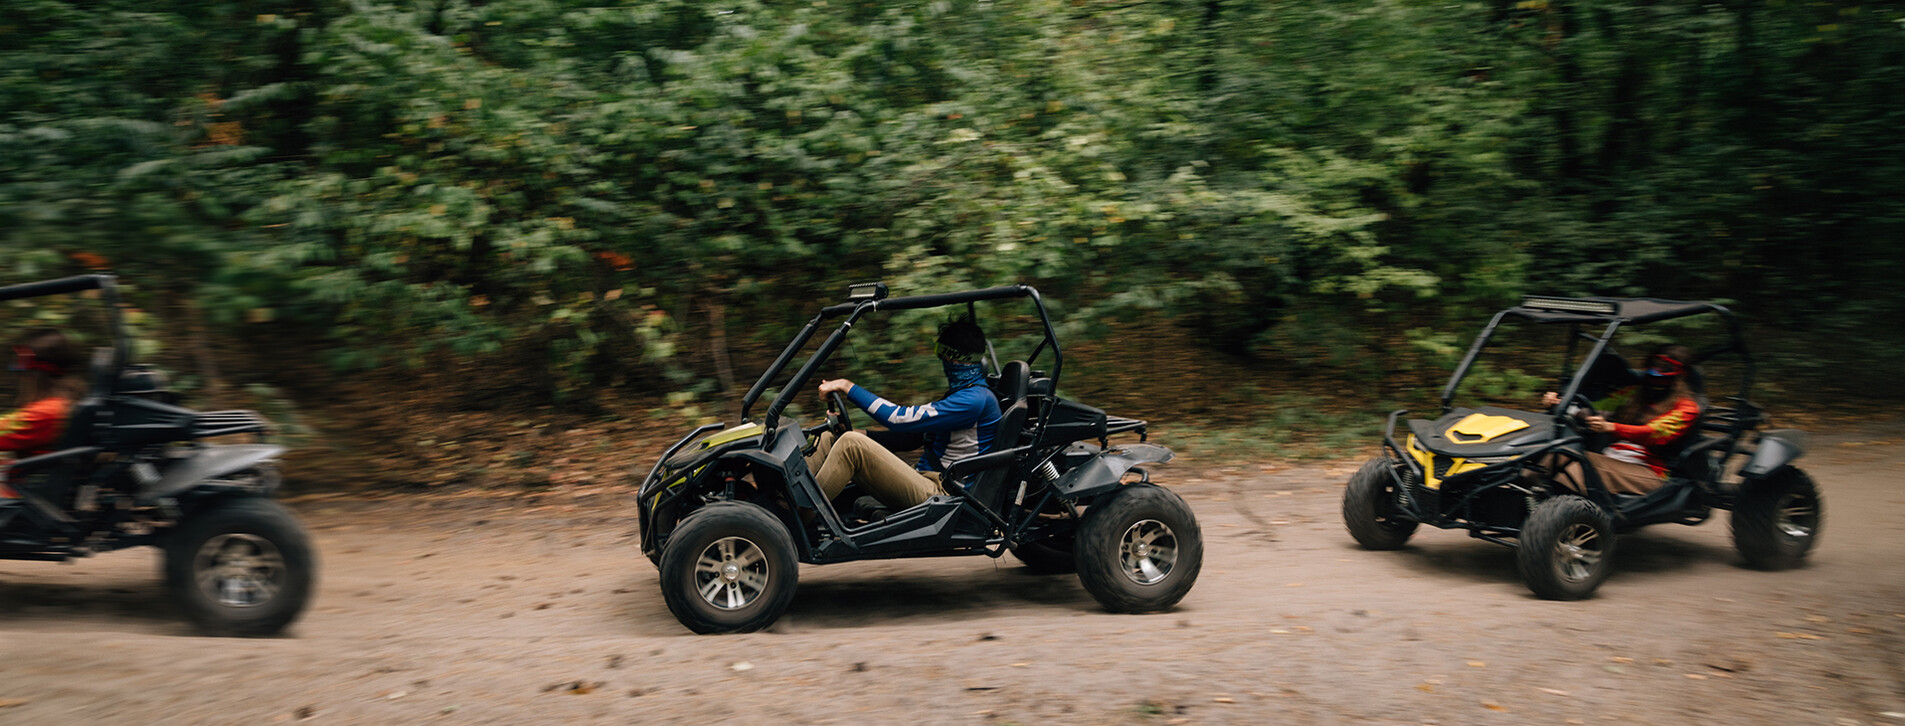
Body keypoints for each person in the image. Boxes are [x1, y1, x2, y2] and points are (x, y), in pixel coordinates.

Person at [803, 318, 1003, 512]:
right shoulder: (965, 395)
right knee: (832, 437)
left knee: (850, 445)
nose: (942, 360)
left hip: (944, 494)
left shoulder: (973, 400)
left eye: (941, 353)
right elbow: (911, 438)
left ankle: (798, 515)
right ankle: (787, 501)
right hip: (926, 479)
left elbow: (898, 419)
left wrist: (847, 386)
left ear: (952, 356)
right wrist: (859, 431)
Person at [1539, 344, 1701, 496]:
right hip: (1612, 458)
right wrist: (1560, 404)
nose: (1655, 372)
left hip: (1650, 471)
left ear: (1681, 374)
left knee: (1576, 466)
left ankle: (1563, 515)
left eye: (1664, 368)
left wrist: (1611, 427)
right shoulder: (1634, 394)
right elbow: (1594, 408)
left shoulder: (1687, 408)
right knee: (1556, 455)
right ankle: (1524, 493)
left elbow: (1653, 432)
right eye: (1653, 364)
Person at [1, 329, 85, 500]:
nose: (19, 374)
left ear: (34, 372)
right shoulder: (64, 403)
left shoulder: (45, 412)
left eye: (20, 365)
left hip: (21, 496)